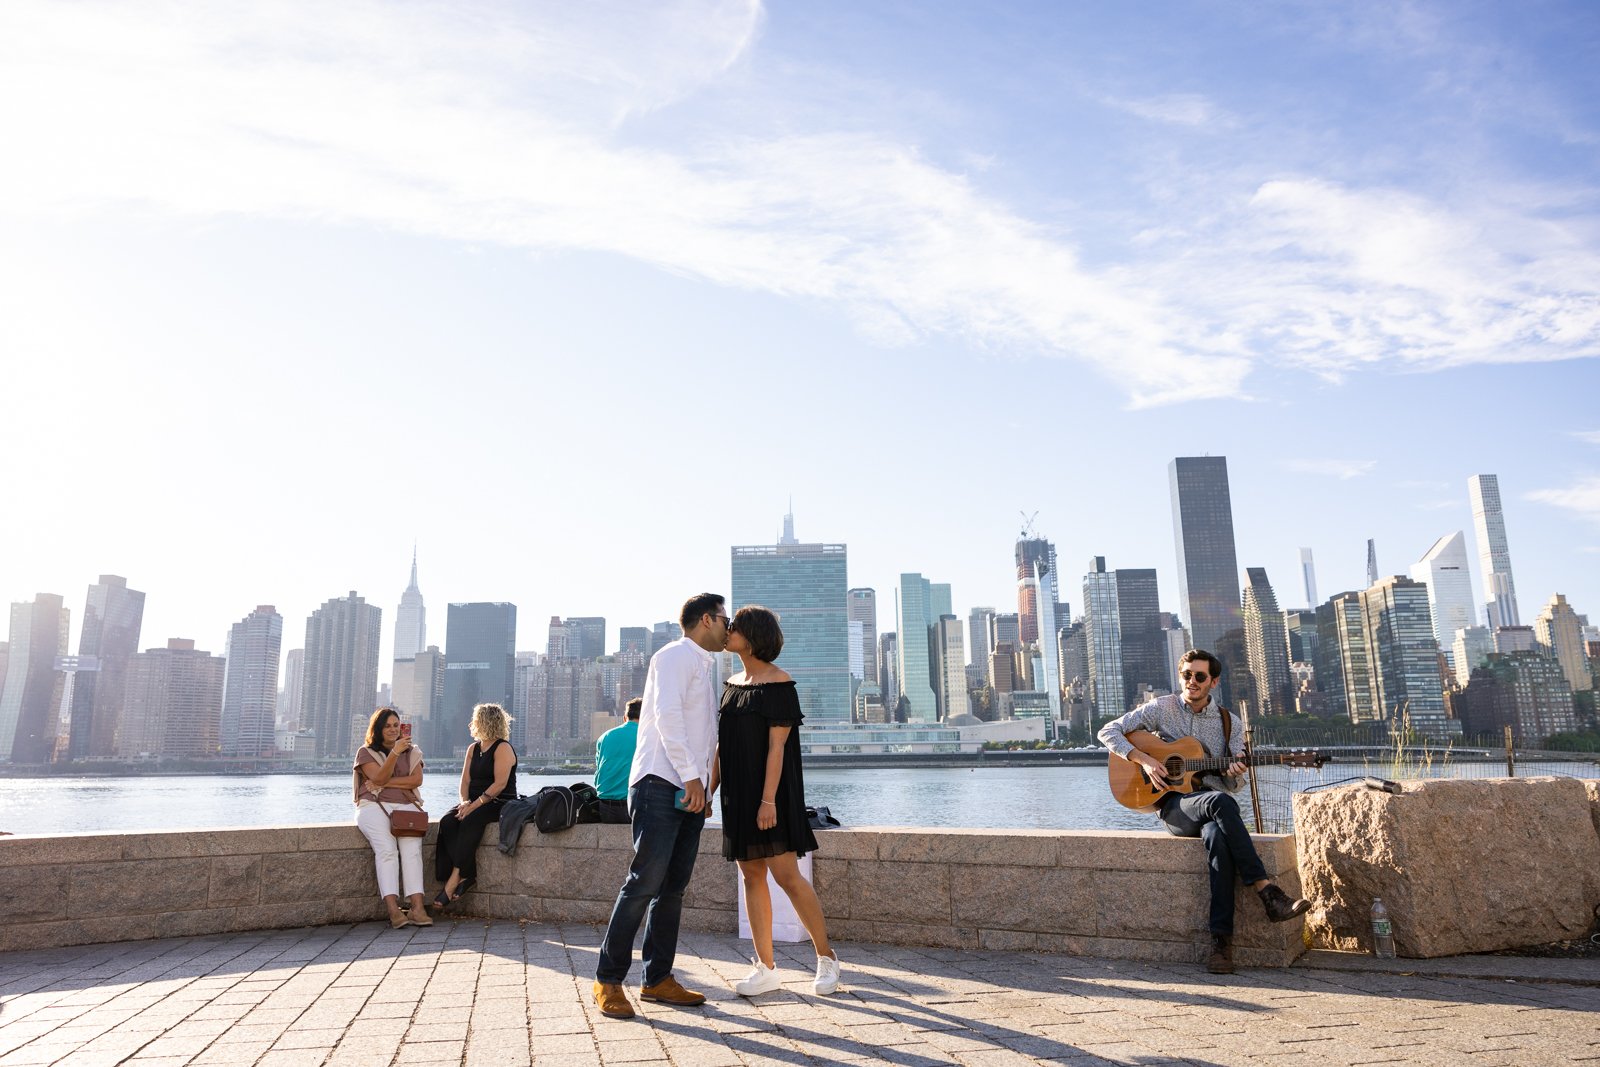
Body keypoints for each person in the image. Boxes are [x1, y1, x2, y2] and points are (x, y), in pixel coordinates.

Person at [1097, 649, 1310, 974]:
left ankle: (1220, 945)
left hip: (1212, 807)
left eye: (1199, 677)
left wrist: (1234, 772)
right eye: (1187, 675)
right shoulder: (1162, 707)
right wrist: (1145, 759)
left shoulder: (1229, 724)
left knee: (1219, 840)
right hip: (1173, 806)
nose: (1192, 682)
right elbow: (1108, 731)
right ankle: (1267, 892)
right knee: (1221, 803)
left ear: (1214, 681)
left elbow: (1232, 785)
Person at [593, 593, 728, 1020]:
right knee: (643, 883)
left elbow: (702, 736)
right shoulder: (674, 656)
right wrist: (692, 777)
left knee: (672, 889)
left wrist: (703, 789)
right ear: (706, 619)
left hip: (687, 791)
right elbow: (668, 717)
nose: (729, 627)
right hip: (658, 783)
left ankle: (657, 980)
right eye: (725, 618)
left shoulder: (703, 667)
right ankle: (607, 979)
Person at [712, 605, 839, 996]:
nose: (726, 631)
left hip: (772, 795)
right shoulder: (732, 683)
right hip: (738, 793)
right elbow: (721, 746)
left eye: (733, 627)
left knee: (786, 876)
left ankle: (826, 958)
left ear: (749, 637)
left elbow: (777, 749)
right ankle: (766, 968)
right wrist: (710, 788)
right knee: (751, 875)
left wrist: (768, 801)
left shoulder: (780, 684)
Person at [432, 703, 518, 909]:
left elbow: (499, 785)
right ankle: (468, 874)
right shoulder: (473, 748)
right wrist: (464, 803)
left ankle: (453, 880)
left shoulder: (503, 747)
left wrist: (475, 806)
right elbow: (464, 782)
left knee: (470, 820)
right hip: (473, 801)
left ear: (485, 722)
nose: (472, 723)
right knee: (448, 822)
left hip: (497, 801)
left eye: (476, 719)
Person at [353, 707, 433, 929]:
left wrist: (383, 783)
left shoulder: (412, 751)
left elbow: (415, 780)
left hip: (406, 805)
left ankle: (417, 908)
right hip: (373, 806)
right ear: (378, 729)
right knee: (387, 850)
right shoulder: (365, 752)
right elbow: (377, 775)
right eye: (387, 726)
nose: (393, 729)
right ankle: (393, 910)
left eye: (396, 725)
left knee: (412, 851)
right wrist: (395, 754)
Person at [595, 698, 641, 824]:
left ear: (625, 717)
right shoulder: (646, 736)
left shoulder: (603, 737)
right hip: (633, 804)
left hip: (605, 805)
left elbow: (599, 769)